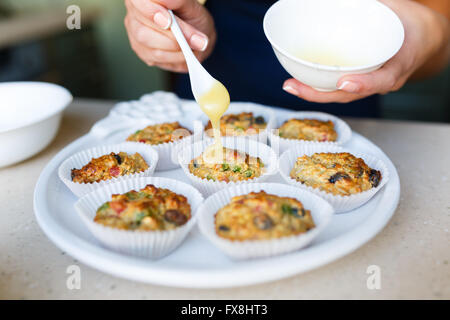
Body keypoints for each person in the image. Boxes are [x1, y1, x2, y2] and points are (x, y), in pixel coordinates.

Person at [124, 0, 449, 117]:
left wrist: (428, 30)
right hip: (208, 106)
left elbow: (441, 40)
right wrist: (165, 25)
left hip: (349, 120)